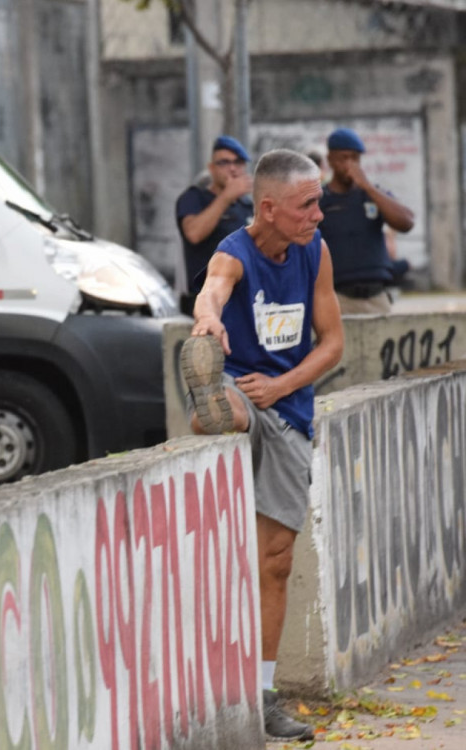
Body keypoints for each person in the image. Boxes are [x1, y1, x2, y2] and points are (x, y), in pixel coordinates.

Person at [180, 148, 344, 742]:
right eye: (307, 205)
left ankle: (264, 696)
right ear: (269, 209)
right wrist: (208, 322)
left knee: (274, 563)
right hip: (244, 389)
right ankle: (210, 404)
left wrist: (284, 384)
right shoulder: (234, 251)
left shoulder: (315, 253)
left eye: (318, 202)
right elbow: (214, 290)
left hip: (288, 406)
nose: (318, 215)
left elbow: (332, 345)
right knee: (229, 402)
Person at [318, 127, 415, 314]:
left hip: (376, 296)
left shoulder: (373, 194)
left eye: (355, 158)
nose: (350, 164)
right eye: (343, 158)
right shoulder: (321, 199)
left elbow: (406, 223)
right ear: (330, 159)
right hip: (337, 297)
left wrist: (367, 187)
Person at [175, 135, 254, 314]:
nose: (232, 168)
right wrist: (226, 197)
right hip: (205, 299)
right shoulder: (195, 198)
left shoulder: (246, 206)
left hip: (241, 298)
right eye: (224, 163)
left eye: (238, 162)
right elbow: (194, 233)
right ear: (211, 168)